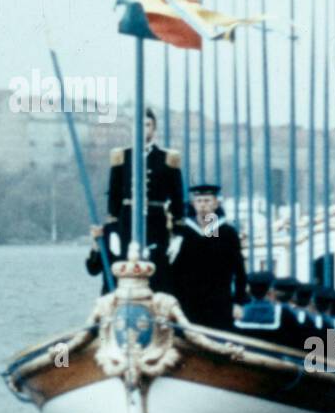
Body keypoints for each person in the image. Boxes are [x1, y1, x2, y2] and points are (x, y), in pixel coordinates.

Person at [105, 107, 184, 290]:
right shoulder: (122, 157)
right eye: (139, 125)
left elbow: (177, 198)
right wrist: (113, 230)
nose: (143, 129)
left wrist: (178, 234)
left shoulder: (167, 158)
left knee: (157, 266)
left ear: (154, 129)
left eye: (148, 125)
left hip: (156, 220)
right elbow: (114, 196)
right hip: (127, 220)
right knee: (126, 263)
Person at [168, 183, 248, 330]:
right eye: (199, 201)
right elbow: (172, 270)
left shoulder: (227, 232)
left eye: (207, 201)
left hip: (219, 301)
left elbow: (239, 270)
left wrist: (238, 302)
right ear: (193, 203)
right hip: (187, 300)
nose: (203, 205)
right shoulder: (183, 232)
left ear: (216, 204)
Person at [83, 221, 123, 294]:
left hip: (113, 292)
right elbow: (93, 268)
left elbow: (93, 269)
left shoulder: (107, 230)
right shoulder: (107, 230)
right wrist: (96, 242)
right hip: (112, 292)